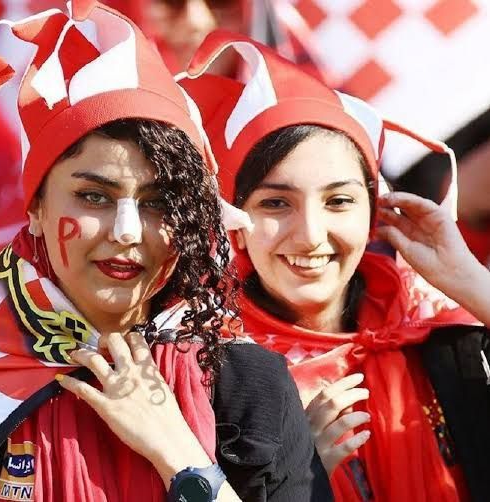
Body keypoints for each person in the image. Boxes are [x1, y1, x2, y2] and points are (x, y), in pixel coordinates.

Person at [0, 4, 332, 501]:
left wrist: (181, 458)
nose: (126, 232)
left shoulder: (251, 385)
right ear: (35, 209)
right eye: (94, 197)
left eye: (159, 202)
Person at [182, 30, 490, 502]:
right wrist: (294, 473)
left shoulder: (441, 327)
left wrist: (468, 281)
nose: (310, 234)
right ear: (235, 223)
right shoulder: (205, 367)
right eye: (276, 203)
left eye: (339, 201)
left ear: (374, 212)